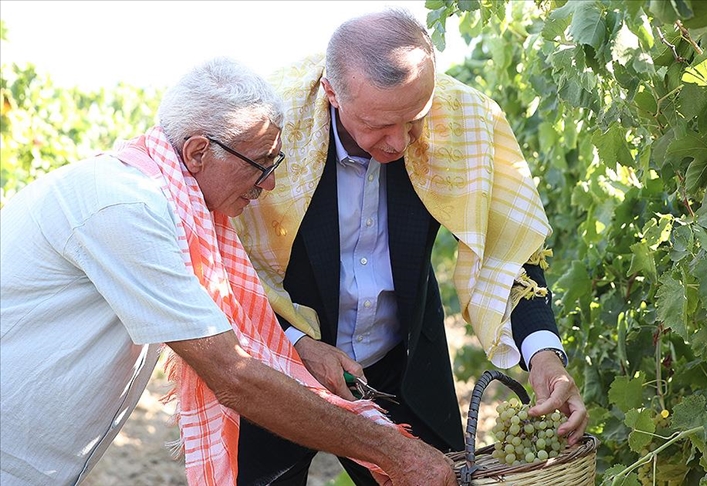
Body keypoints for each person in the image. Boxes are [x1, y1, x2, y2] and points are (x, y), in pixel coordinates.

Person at [0, 57, 456, 486]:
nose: (270, 183)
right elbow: (233, 375)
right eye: (262, 163)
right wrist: (396, 452)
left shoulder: (164, 206)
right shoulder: (126, 206)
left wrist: (299, 349)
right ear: (198, 152)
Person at [232, 8, 589, 486]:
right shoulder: (270, 132)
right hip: (282, 362)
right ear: (332, 93)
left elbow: (511, 249)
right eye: (379, 124)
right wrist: (296, 343)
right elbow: (223, 261)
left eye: (413, 118)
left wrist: (544, 354)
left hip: (403, 367)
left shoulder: (462, 121)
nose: (399, 142)